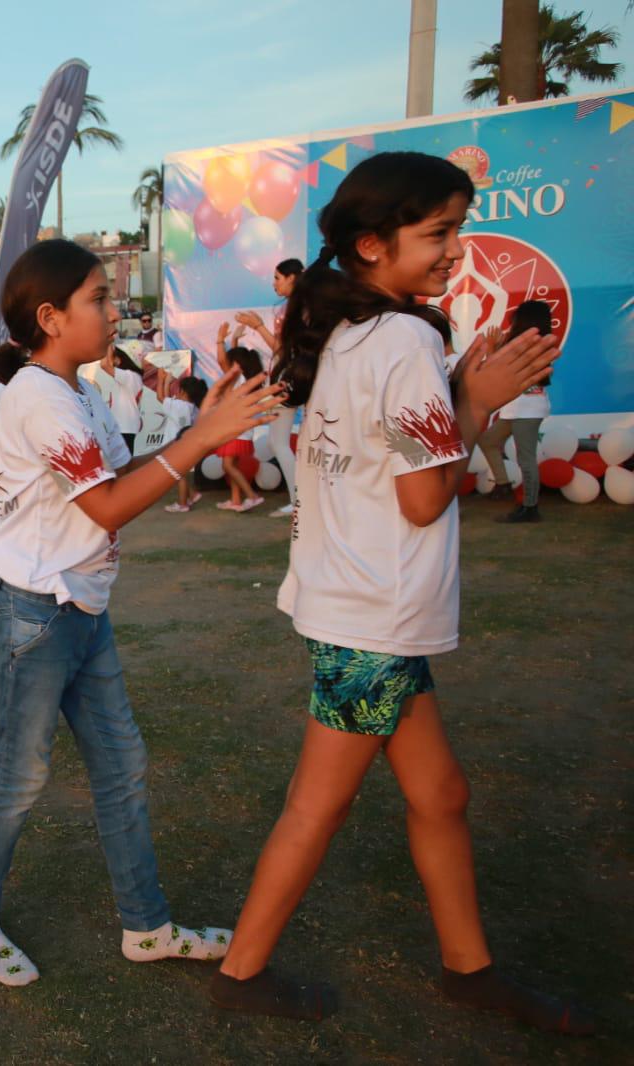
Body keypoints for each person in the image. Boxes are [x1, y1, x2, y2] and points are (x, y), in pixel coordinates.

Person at [209, 151, 590, 1034]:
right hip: (373, 616)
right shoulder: (408, 339)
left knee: (441, 794)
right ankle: (240, 972)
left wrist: (464, 392)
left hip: (358, 606)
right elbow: (424, 495)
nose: (456, 248)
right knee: (320, 802)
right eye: (440, 232)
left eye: (457, 227)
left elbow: (391, 467)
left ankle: (470, 968)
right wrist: (479, 403)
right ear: (374, 245)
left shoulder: (357, 331)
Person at [0, 238, 282, 987]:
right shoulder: (39, 398)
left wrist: (197, 432)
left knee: (122, 766)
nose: (112, 310)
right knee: (20, 774)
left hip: (79, 605)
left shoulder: (79, 390)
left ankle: (147, 926)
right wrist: (200, 438)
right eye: (98, 298)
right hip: (34, 610)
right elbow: (105, 508)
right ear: (50, 316)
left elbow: (115, 480)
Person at [238, 257, 306, 517]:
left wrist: (258, 327)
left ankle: (298, 501)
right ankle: (300, 500)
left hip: (289, 378)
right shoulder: (295, 307)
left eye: (278, 278)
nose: (274, 284)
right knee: (286, 442)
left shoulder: (297, 309)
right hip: (291, 376)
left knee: (279, 442)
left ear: (292, 278)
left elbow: (282, 349)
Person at [479, 300, 554, 524]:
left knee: (526, 458)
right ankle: (503, 485)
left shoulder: (532, 344)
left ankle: (530, 508)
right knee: (488, 440)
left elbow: (496, 371)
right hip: (516, 408)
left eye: (516, 318)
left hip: (527, 409)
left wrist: (493, 348)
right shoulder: (527, 343)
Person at [212, 330, 266, 512]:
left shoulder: (236, 377)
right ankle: (235, 500)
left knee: (228, 465)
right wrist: (233, 339)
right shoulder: (246, 377)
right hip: (241, 428)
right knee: (232, 464)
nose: (225, 365)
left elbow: (222, 361)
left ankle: (252, 496)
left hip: (235, 428)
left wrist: (220, 339)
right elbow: (230, 360)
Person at [161, 375, 209, 513]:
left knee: (178, 474)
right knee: (179, 473)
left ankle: (182, 504)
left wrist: (165, 382)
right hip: (186, 444)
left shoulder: (178, 405)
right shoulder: (194, 407)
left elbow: (160, 397)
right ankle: (192, 494)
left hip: (176, 444)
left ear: (183, 391)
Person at [92, 345, 144, 454]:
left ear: (119, 359)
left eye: (112, 358)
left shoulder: (129, 376)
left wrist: (109, 342)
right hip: (123, 427)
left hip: (124, 428)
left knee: (124, 466)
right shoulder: (128, 377)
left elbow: (104, 364)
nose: (111, 361)